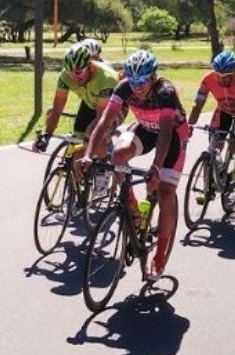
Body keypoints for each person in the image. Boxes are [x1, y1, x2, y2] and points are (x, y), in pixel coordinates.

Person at [82, 49, 186, 281]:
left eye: (143, 81)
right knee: (117, 156)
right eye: (133, 80)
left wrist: (156, 168)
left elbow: (167, 131)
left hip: (172, 136)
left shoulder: (165, 92)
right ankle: (135, 211)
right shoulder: (124, 87)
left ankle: (159, 259)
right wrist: (89, 154)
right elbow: (104, 122)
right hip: (146, 129)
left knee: (166, 192)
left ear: (153, 77)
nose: (137, 86)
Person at [33, 43, 120, 163]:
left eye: (79, 72)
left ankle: (107, 163)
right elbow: (57, 108)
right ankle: (77, 179)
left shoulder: (106, 78)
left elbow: (102, 120)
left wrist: (89, 148)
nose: (74, 77)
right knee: (76, 150)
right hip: (90, 103)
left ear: (89, 65)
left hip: (113, 107)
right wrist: (47, 135)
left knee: (93, 133)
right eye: (70, 73)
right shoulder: (65, 76)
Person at [189, 50, 235, 183]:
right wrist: (189, 125)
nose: (222, 79)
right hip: (224, 109)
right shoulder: (208, 79)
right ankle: (208, 184)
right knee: (214, 143)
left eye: (227, 75)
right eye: (218, 75)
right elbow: (198, 105)